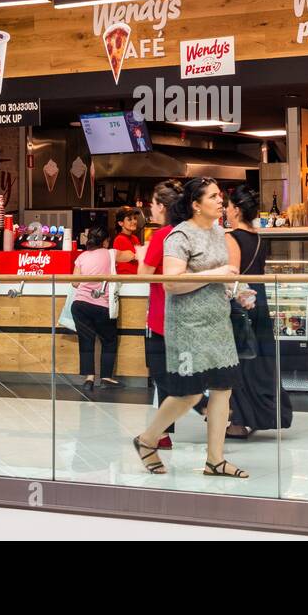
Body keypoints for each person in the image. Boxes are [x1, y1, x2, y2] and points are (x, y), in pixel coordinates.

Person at [132, 177, 252, 478]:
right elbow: (171, 283)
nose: (220, 201)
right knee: (190, 394)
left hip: (217, 323)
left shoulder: (217, 232)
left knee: (223, 389)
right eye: (212, 197)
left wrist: (239, 289)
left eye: (220, 196)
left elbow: (225, 274)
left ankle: (215, 460)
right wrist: (216, 274)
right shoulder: (178, 236)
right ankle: (147, 440)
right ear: (195, 205)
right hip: (188, 326)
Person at [223, 186, 293, 438]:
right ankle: (260, 415)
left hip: (241, 304)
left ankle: (239, 422)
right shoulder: (260, 237)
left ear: (237, 210)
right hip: (260, 301)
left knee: (239, 363)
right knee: (260, 362)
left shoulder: (231, 237)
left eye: (228, 206)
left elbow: (233, 275)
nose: (225, 210)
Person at [138, 180, 183, 449]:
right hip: (191, 315)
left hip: (162, 316)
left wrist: (141, 255)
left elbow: (144, 275)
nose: (149, 209)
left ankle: (201, 408)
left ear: (163, 206)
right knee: (179, 372)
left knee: (163, 374)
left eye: (152, 204)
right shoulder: (191, 231)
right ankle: (162, 434)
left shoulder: (162, 236)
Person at [69, 225, 121, 393]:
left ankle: (89, 379)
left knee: (86, 341)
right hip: (101, 305)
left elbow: (75, 282)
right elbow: (130, 256)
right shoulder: (111, 253)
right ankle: (105, 377)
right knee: (109, 340)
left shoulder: (82, 256)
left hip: (79, 306)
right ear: (105, 241)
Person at [112, 207, 142, 275]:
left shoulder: (135, 238)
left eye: (135, 218)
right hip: (126, 280)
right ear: (120, 223)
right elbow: (137, 256)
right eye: (129, 219)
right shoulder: (119, 239)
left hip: (136, 279)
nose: (134, 222)